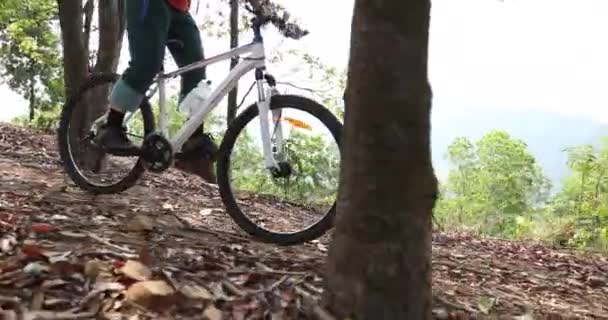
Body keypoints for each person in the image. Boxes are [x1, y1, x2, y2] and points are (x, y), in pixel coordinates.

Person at [94, 0, 226, 184]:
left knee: (196, 70)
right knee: (146, 65)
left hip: (179, 7)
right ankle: (111, 126)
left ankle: (194, 146)